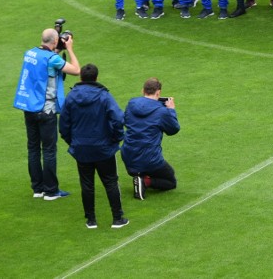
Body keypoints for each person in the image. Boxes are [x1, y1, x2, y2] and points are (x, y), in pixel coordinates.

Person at [14, 28, 80, 200]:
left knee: (33, 148)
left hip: (30, 107)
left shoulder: (30, 53)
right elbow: (76, 70)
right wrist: (70, 48)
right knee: (49, 150)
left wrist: (56, 47)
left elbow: (47, 61)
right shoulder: (53, 59)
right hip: (47, 109)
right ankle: (51, 191)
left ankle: (37, 189)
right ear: (55, 41)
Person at [58, 64, 127, 229]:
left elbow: (63, 125)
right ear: (96, 77)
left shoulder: (72, 96)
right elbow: (118, 119)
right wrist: (116, 139)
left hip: (81, 148)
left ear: (81, 77)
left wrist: (73, 141)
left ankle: (91, 220)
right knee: (110, 181)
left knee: (86, 184)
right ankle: (117, 218)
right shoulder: (104, 96)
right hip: (103, 147)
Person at [121, 78, 180, 201]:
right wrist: (171, 110)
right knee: (170, 181)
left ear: (143, 90)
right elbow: (173, 129)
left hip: (128, 156)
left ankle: (140, 175)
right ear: (158, 93)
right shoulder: (162, 111)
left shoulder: (131, 104)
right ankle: (145, 181)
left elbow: (125, 121)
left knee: (144, 163)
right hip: (150, 159)